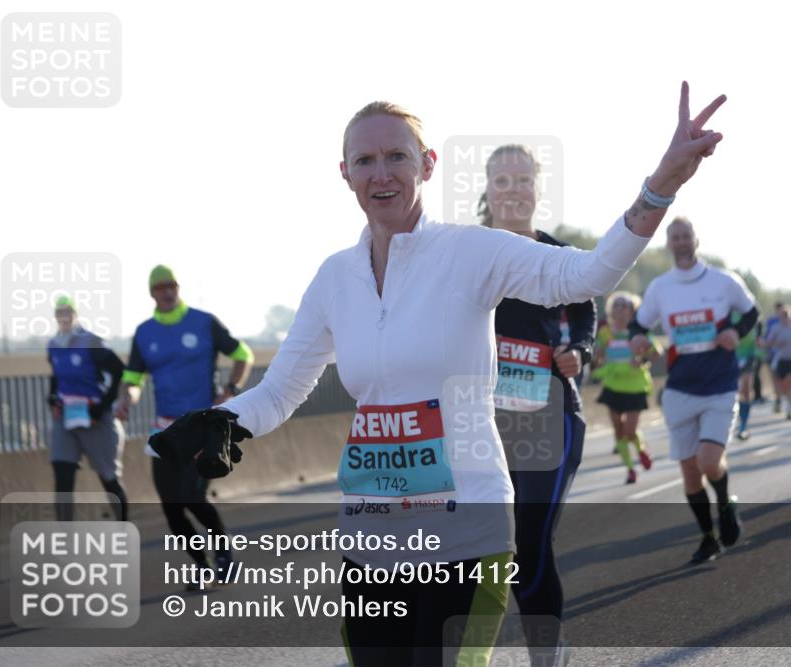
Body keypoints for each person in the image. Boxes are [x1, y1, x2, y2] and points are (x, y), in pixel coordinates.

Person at [151, 85, 726, 666]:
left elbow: (588, 275)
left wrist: (662, 184)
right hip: (370, 540)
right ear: (345, 174)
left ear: (427, 164)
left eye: (397, 156)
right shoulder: (333, 279)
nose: (382, 174)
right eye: (365, 161)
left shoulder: (470, 252)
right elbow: (282, 389)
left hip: (465, 534)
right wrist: (225, 419)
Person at [477, 142, 597, 664]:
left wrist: (579, 350)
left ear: (537, 187)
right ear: (486, 189)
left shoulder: (558, 257)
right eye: (503, 181)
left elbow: (587, 311)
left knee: (528, 541)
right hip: (481, 420)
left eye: (523, 180)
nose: (514, 190)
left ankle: (546, 654)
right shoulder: (465, 252)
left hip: (549, 415)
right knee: (475, 545)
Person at [629, 217, 758, 565]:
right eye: (675, 238)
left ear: (696, 241)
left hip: (719, 383)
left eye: (686, 236)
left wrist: (734, 331)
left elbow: (751, 313)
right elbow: (637, 326)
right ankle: (707, 538)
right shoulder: (660, 288)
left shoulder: (723, 281)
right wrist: (639, 340)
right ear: (669, 244)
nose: (682, 242)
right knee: (689, 472)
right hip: (680, 386)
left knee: (708, 461)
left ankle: (726, 503)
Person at [114, 265, 253, 586]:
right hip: (165, 431)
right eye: (161, 286)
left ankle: (222, 553)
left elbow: (242, 353)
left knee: (191, 495)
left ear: (178, 287)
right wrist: (127, 399)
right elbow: (133, 379)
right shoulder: (144, 332)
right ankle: (202, 564)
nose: (167, 290)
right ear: (152, 293)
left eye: (172, 284)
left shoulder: (203, 322)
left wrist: (230, 390)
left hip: (202, 427)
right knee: (171, 508)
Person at [47, 295, 128, 522]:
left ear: (75, 314)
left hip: (96, 417)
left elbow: (118, 370)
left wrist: (101, 408)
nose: (64, 317)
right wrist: (52, 399)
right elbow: (56, 377)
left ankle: (124, 528)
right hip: (66, 417)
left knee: (109, 478)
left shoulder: (91, 341)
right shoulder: (53, 345)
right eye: (59, 312)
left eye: (68, 312)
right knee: (62, 476)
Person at [593, 291, 658, 483]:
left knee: (630, 431)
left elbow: (656, 353)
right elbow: (597, 357)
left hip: (635, 385)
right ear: (611, 310)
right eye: (616, 305)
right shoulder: (605, 332)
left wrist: (643, 360)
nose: (619, 309)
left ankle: (641, 450)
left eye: (624, 306)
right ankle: (630, 469)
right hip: (613, 384)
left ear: (632, 311)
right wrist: (597, 355)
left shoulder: (638, 331)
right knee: (618, 430)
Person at [764, 304, 791, 420]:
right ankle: (785, 401)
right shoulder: (776, 328)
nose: (785, 318)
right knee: (783, 386)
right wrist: (776, 344)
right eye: (782, 316)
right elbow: (769, 342)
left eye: (786, 315)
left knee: (790, 382)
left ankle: (790, 409)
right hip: (781, 359)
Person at [734, 311, 758, 440]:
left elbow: (757, 337)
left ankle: (744, 423)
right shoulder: (727, 312)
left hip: (748, 356)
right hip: (732, 356)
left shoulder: (749, 312)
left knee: (746, 388)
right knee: (737, 390)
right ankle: (739, 418)